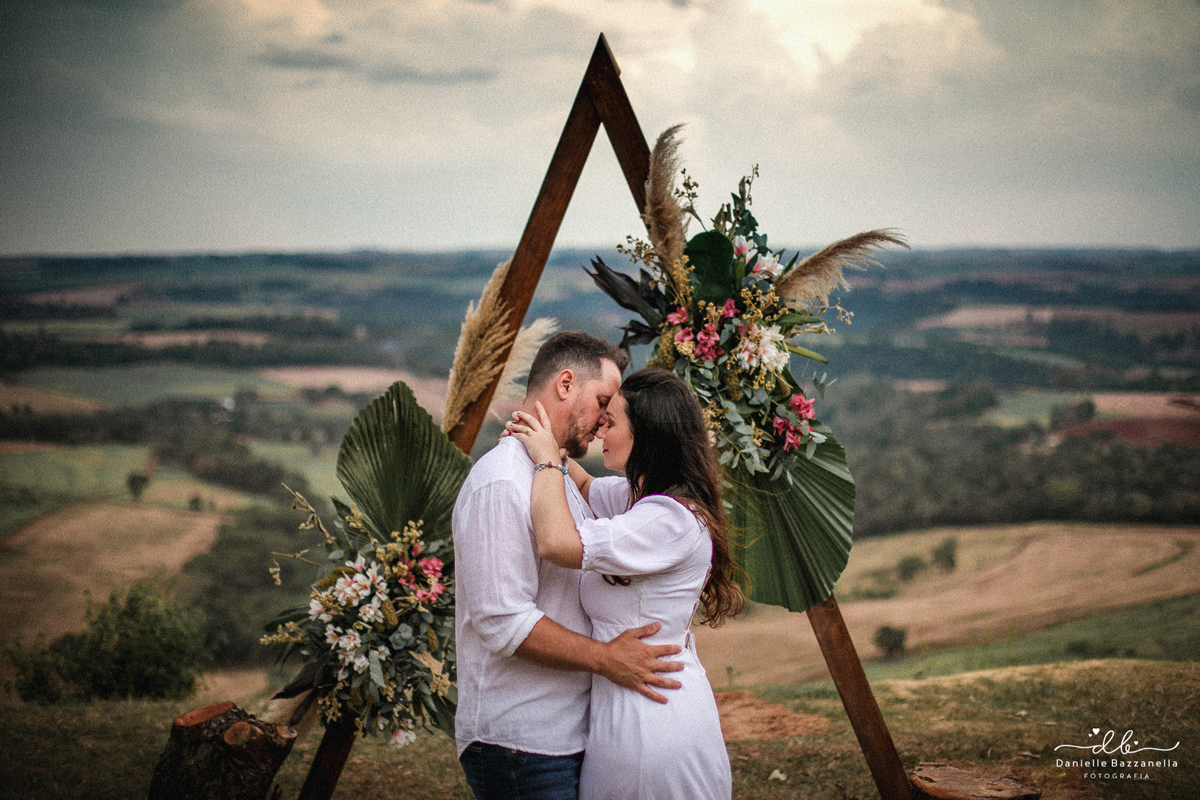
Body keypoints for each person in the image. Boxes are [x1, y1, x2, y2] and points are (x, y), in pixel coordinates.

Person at [453, 332, 686, 800]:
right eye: (601, 402)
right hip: (521, 743)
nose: (604, 420)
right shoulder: (501, 482)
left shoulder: (552, 475)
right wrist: (606, 658)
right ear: (565, 384)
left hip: (567, 735)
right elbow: (502, 621)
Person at [508, 367, 746, 800]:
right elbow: (585, 485)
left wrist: (545, 459)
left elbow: (557, 543)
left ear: (646, 436)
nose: (601, 428)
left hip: (652, 720)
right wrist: (549, 438)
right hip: (624, 706)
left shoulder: (668, 520)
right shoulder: (638, 501)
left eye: (611, 421)